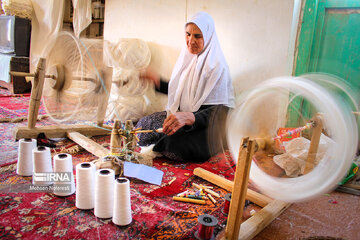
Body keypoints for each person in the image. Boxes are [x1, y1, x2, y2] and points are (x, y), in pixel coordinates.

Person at [136, 11, 234, 162]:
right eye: (188, 34)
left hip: (207, 127)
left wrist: (191, 117)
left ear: (208, 37)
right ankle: (161, 144)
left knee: (174, 143)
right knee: (144, 125)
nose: (191, 40)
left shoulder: (217, 67)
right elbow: (181, 91)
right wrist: (157, 81)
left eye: (197, 36)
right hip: (186, 117)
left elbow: (222, 112)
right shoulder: (189, 61)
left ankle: (165, 145)